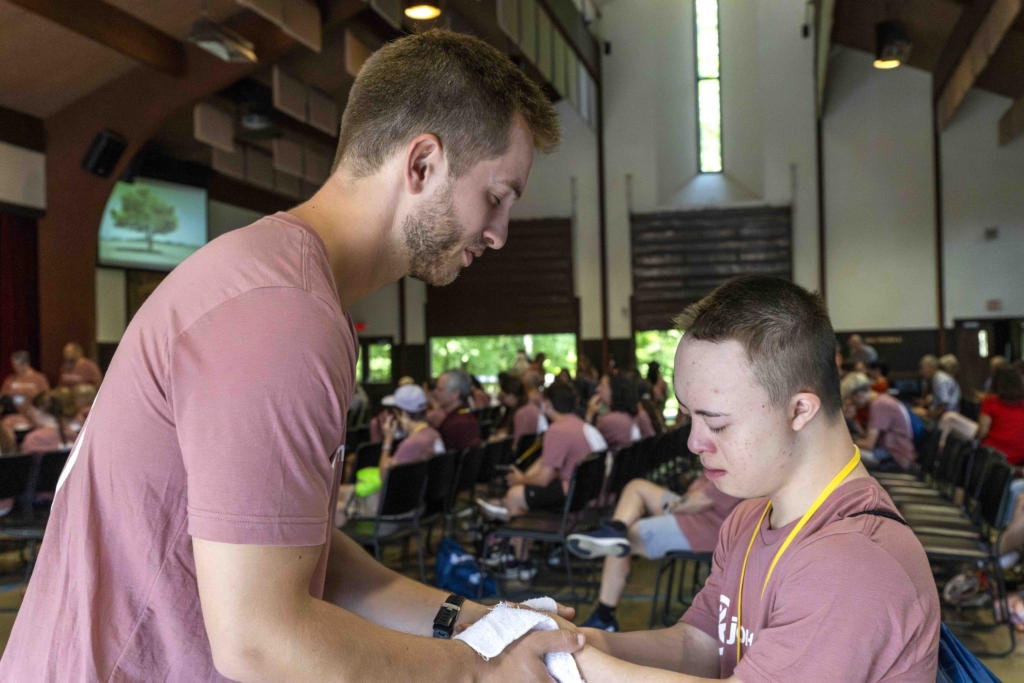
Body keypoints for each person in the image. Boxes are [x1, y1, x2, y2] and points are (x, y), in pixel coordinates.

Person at [0, 30, 585, 683]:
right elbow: (259, 637)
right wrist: (482, 671)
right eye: (498, 196)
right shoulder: (282, 311)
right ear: (421, 164)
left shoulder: (285, 289)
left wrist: (472, 622)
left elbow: (294, 550)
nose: (500, 233)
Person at [570, 275, 939, 683]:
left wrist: (577, 666)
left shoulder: (850, 563)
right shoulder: (748, 519)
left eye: (718, 423)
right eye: (690, 417)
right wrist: (581, 644)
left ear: (800, 410)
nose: (695, 442)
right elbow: (700, 645)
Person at [568, 475, 742, 632]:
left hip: (708, 525)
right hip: (701, 511)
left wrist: (668, 507)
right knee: (637, 485)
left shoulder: (737, 458)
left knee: (627, 537)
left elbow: (701, 500)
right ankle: (616, 528)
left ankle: (604, 617)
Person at [477, 380, 607, 524]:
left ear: (547, 404)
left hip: (569, 495)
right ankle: (506, 508)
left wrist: (521, 479)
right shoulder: (580, 425)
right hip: (583, 493)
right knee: (524, 487)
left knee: (515, 495)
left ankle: (517, 543)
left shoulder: (556, 430)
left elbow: (544, 480)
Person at [335, 384, 445, 526]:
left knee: (333, 505)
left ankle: (352, 546)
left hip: (392, 507)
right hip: (414, 501)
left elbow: (383, 476)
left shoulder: (411, 444)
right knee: (337, 491)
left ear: (403, 414)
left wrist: (387, 440)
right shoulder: (433, 435)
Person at [842, 373, 916, 473]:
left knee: (845, 452)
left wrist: (845, 443)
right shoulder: (880, 400)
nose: (852, 404)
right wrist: (854, 420)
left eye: (851, 399)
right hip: (890, 454)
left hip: (896, 459)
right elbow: (867, 437)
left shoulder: (879, 405)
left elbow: (869, 444)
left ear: (859, 394)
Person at [586, 373, 649, 451]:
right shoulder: (630, 415)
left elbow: (586, 444)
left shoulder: (609, 421)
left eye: (602, 386)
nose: (597, 389)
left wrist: (589, 415)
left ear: (614, 391)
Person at [978, 366, 1024, 468]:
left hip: (994, 456)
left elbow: (982, 432)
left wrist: (975, 439)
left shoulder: (991, 401)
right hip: (1019, 457)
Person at [433, 369, 482, 451]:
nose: (435, 392)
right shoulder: (468, 416)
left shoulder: (452, 425)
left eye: (440, 390)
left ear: (455, 394)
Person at [918, 353, 960, 419]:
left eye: (923, 369)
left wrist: (928, 415)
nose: (921, 372)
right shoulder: (935, 378)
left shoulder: (941, 380)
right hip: (942, 415)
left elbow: (944, 406)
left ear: (930, 367)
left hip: (948, 418)